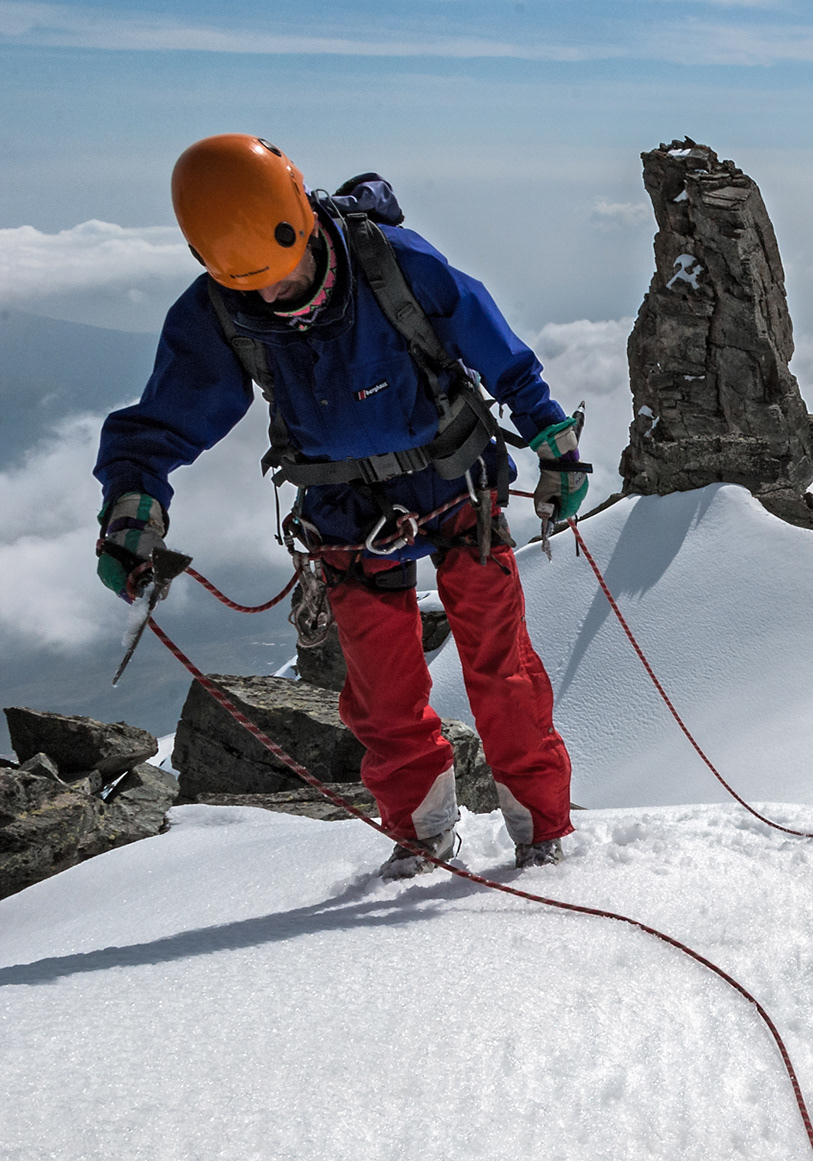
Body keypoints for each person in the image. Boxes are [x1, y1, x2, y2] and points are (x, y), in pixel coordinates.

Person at [94, 134, 589, 879]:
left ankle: (542, 832)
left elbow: (493, 344)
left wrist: (553, 435)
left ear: (303, 221)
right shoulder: (220, 312)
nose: (273, 297)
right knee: (383, 695)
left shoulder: (393, 262)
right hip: (344, 516)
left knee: (501, 671)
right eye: (249, 285)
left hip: (455, 490)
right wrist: (133, 507)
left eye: (281, 275)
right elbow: (162, 422)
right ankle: (423, 837)